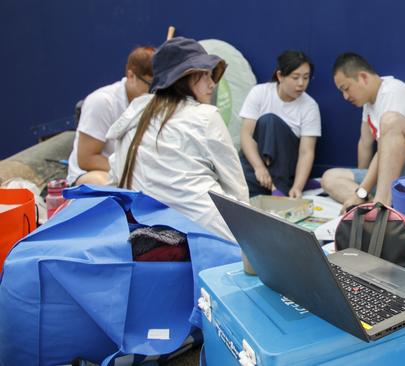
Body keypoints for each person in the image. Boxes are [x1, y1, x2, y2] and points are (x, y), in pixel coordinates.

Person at [107, 37, 248, 242]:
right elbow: (237, 189)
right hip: (207, 236)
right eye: (205, 75)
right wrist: (251, 240)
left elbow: (114, 182)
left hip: (139, 232)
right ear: (184, 78)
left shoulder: (133, 115)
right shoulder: (205, 116)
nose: (212, 84)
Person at [322, 53, 405, 212]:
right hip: (392, 173)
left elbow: (384, 147)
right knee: (329, 178)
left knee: (390, 121)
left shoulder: (392, 90)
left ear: (363, 77)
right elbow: (365, 143)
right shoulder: (368, 104)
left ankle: (381, 208)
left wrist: (362, 191)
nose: (345, 96)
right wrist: (362, 183)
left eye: (346, 89)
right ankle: (372, 204)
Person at [66, 46, 155, 186]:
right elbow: (86, 159)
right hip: (92, 174)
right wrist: (133, 171)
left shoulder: (153, 101)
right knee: (109, 187)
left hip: (132, 173)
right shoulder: (101, 102)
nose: (155, 92)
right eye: (151, 85)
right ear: (131, 76)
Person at [239, 50, 321, 198]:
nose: (301, 83)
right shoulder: (259, 92)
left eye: (306, 78)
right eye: (295, 78)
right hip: (257, 164)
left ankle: (279, 187)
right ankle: (272, 188)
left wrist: (298, 187)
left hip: (285, 167)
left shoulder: (310, 106)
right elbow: (246, 135)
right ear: (280, 76)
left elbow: (306, 152)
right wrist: (259, 168)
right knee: (240, 181)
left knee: (269, 120)